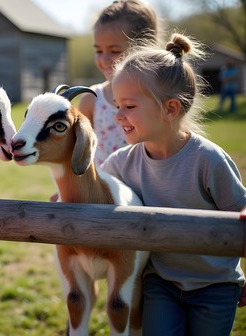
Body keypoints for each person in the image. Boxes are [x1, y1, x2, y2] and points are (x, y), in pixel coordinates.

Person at [101, 32, 246, 336]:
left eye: (128, 106)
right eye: (117, 105)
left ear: (169, 109)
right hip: (161, 284)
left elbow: (239, 209)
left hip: (216, 287)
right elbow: (93, 188)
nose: (117, 115)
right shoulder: (122, 162)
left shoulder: (208, 160)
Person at [78, 0, 160, 165]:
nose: (104, 59)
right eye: (99, 50)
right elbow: (79, 157)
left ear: (145, 48)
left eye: (114, 50)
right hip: (104, 190)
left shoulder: (159, 98)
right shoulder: (91, 100)